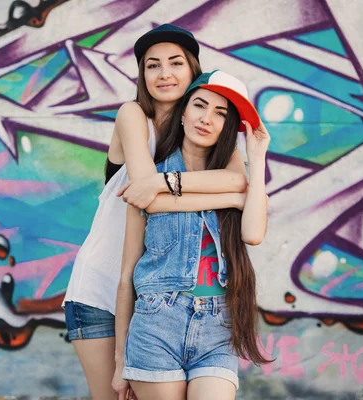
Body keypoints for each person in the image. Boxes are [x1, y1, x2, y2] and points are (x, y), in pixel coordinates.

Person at [63, 25, 248, 400]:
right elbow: (147, 195)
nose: (164, 74)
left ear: (193, 70)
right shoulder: (133, 115)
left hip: (160, 296)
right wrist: (227, 198)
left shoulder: (205, 127)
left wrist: (228, 192)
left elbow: (239, 180)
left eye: (176, 63)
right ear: (142, 75)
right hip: (100, 288)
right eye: (153, 65)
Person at [114, 70, 272, 400]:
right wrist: (119, 363)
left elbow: (254, 234)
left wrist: (257, 160)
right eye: (200, 106)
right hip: (156, 322)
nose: (206, 119)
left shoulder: (238, 179)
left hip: (219, 326)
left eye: (221, 114)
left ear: (229, 127)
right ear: (183, 111)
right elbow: (127, 274)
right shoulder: (148, 178)